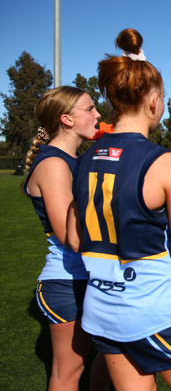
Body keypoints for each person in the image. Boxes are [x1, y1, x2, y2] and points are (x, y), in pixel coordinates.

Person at [68, 28, 171, 391]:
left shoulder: (85, 158)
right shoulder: (165, 162)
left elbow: (75, 239)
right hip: (156, 312)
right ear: (153, 101)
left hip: (102, 311)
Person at [22, 86, 108, 390]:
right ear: (67, 120)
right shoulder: (54, 165)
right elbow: (70, 236)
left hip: (93, 275)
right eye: (90, 108)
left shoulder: (79, 159)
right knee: (70, 371)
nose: (97, 114)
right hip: (68, 282)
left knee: (115, 356)